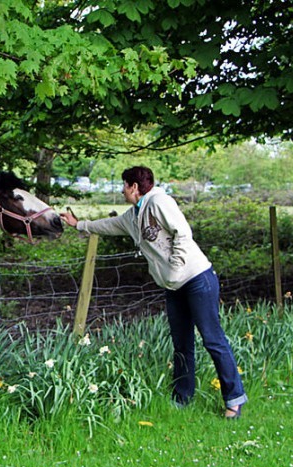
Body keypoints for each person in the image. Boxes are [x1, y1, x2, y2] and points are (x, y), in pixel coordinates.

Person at [60, 166, 247, 419]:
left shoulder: (159, 201)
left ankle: (234, 400)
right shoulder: (134, 214)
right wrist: (78, 224)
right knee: (181, 343)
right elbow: (110, 225)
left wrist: (175, 268)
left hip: (196, 279)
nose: (122, 190)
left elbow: (183, 232)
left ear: (133, 187)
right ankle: (182, 398)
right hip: (174, 285)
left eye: (124, 185)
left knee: (212, 340)